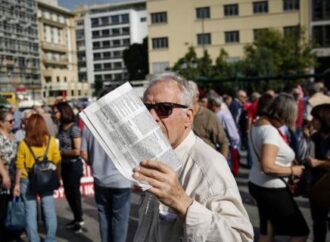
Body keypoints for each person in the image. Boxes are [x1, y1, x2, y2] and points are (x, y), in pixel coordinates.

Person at [133, 72, 253, 241]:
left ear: (188, 117)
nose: (152, 117)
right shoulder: (157, 154)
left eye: (163, 109)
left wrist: (182, 203)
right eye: (146, 108)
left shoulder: (209, 164)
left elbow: (239, 237)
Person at [248, 93, 309, 242]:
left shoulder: (257, 123)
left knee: (267, 229)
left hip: (257, 184)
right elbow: (267, 166)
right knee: (300, 232)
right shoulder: (270, 132)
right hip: (272, 188)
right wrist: (293, 170)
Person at [81, 89, 131, 242]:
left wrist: (95, 163)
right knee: (120, 220)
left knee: (104, 216)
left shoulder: (90, 125)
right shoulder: (125, 124)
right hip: (122, 180)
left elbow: (83, 153)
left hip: (100, 178)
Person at [13, 113, 61, 242]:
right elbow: (57, 160)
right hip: (47, 178)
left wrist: (16, 184)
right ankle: (50, 239)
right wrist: (58, 178)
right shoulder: (51, 141)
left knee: (30, 213)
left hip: (27, 179)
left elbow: (19, 165)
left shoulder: (24, 143)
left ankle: (34, 239)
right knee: (49, 211)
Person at [54, 102, 84, 233]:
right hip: (64, 165)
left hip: (74, 166)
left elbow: (77, 151)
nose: (55, 114)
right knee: (68, 193)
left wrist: (60, 151)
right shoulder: (61, 127)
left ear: (64, 112)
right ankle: (76, 218)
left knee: (74, 194)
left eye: (57, 111)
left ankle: (79, 220)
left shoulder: (74, 128)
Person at [306, 104, 330, 242]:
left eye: (316, 118)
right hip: (316, 187)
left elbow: (315, 161)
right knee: (318, 224)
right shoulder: (314, 136)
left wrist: (318, 163)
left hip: (327, 184)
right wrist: (305, 139)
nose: (312, 120)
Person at [189, 81, 229, 158]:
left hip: (207, 164)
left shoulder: (209, 116)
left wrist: (221, 164)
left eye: (188, 95)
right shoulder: (180, 115)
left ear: (197, 96)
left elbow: (224, 142)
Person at [208, 95, 241, 176]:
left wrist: (233, 146)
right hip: (215, 148)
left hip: (224, 148)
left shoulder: (225, 117)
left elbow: (234, 136)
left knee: (224, 172)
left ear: (213, 105)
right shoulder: (212, 116)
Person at [0, 110, 18, 241]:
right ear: (1, 122)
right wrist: (5, 175)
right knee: (2, 210)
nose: (13, 123)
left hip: (11, 176)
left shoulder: (13, 136)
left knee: (8, 208)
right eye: (10, 121)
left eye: (13, 120)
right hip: (2, 177)